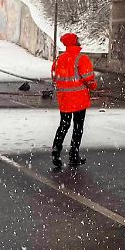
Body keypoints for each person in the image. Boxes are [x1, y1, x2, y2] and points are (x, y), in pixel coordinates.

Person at [50, 33, 96, 170]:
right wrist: (93, 86)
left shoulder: (59, 59)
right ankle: (73, 155)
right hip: (79, 99)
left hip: (64, 99)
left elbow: (54, 77)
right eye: (77, 40)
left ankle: (56, 150)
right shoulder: (82, 59)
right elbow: (89, 79)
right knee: (78, 127)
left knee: (63, 125)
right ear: (75, 42)